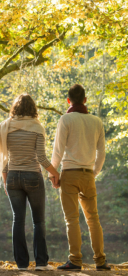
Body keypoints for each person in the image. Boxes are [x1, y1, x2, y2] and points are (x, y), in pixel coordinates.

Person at [0, 93, 59, 271]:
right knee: (38, 222)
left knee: (18, 220)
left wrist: (6, 181)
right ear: (33, 109)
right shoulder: (37, 127)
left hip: (13, 177)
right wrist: (55, 173)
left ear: (15, 108)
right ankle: (41, 264)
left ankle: (22, 265)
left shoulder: (6, 127)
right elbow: (41, 158)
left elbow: (4, 160)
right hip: (33, 177)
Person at [49, 84, 111, 271]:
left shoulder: (66, 119)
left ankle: (75, 260)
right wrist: (94, 172)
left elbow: (58, 151)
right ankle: (100, 261)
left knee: (72, 219)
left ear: (68, 100)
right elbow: (101, 153)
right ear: (85, 100)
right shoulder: (96, 122)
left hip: (69, 173)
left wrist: (53, 173)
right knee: (93, 219)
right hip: (87, 175)